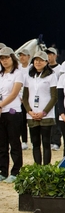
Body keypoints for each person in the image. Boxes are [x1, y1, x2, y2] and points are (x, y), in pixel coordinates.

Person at [22, 51, 58, 166]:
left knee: (46, 143)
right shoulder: (28, 76)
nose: (38, 62)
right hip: (32, 115)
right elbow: (25, 97)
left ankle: (46, 168)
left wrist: (44, 112)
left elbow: (54, 97)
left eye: (41, 60)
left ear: (46, 62)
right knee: (35, 143)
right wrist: (30, 111)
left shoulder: (51, 76)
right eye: (36, 60)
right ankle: (37, 167)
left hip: (46, 115)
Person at [0, 47, 24, 183]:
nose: (4, 61)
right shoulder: (1, 74)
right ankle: (2, 171)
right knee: (2, 144)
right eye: (2, 58)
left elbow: (14, 93)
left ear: (12, 58)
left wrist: (1, 105)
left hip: (12, 111)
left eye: (6, 58)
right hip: (1, 113)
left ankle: (16, 171)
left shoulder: (18, 73)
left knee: (14, 142)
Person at [17, 48, 31, 150]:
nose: (22, 57)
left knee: (30, 120)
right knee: (21, 121)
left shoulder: (32, 68)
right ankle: (24, 141)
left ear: (28, 57)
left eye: (24, 55)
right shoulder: (17, 68)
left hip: (30, 98)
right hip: (19, 98)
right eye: (20, 55)